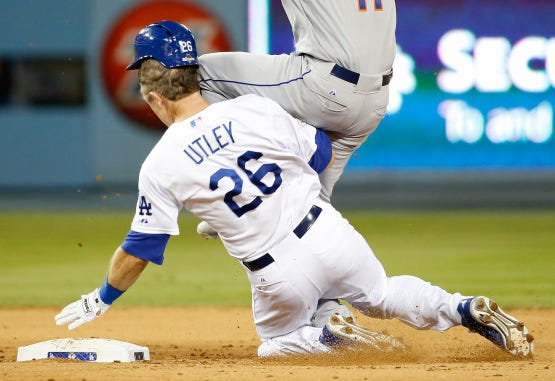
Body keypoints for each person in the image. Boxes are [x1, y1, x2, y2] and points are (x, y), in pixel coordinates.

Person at [55, 21, 534, 358]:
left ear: (155, 97)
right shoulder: (254, 108)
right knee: (383, 294)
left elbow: (140, 248)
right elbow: (322, 155)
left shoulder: (159, 164)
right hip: (327, 230)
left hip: (276, 273)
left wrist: (102, 297)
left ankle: (324, 336)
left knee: (274, 343)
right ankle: (461, 307)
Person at [197, 0, 397, 323]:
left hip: (325, 87)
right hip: (376, 101)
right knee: (312, 208)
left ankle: (243, 184)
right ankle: (328, 313)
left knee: (202, 74)